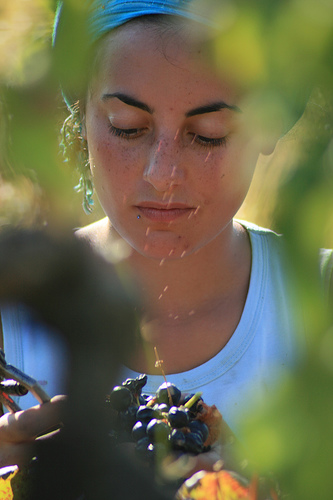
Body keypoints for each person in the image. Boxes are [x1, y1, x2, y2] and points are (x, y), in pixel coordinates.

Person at [0, 0, 329, 477]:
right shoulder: (12, 312)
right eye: (127, 128)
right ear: (81, 111)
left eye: (209, 134)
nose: (163, 175)